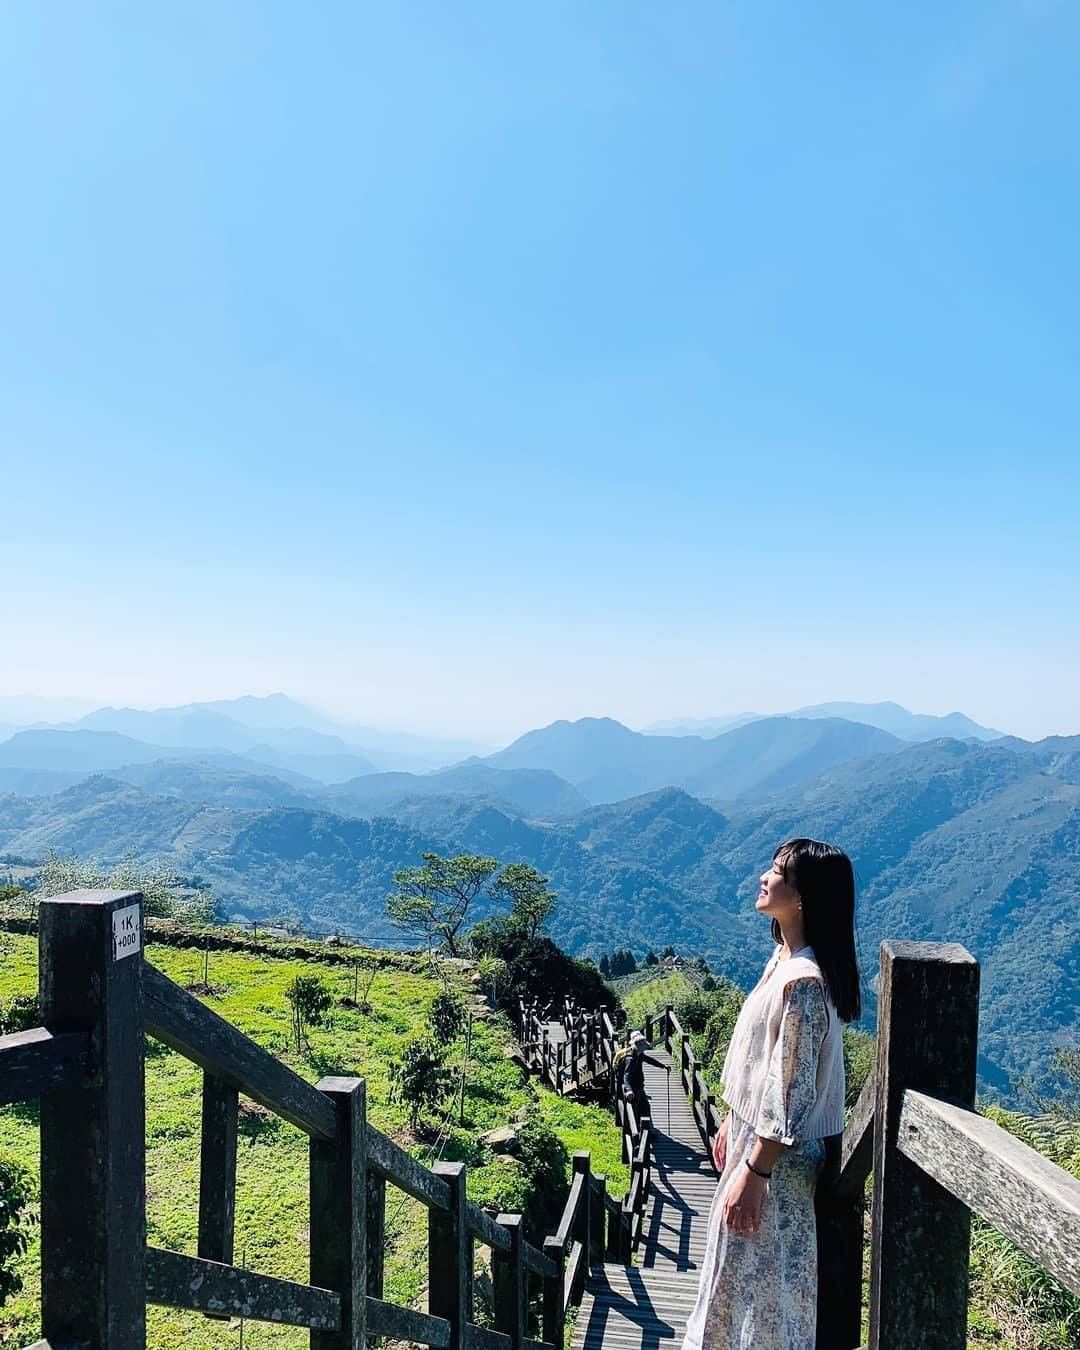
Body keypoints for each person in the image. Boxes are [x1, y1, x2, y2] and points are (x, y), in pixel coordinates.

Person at [681, 838, 860, 1350]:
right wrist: (730, 1121)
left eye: (779, 871)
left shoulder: (802, 981)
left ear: (803, 896)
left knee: (759, 1306)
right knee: (736, 1293)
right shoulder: (784, 958)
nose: (765, 876)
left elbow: (791, 1092)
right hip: (755, 1149)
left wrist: (755, 1172)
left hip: (775, 1170)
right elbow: (765, 1066)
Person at [620, 1029, 667, 1123]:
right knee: (638, 1109)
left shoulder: (638, 1054)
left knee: (644, 1108)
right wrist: (629, 1090)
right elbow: (626, 1075)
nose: (644, 1047)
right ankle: (639, 1132)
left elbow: (649, 1060)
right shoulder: (631, 1058)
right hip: (633, 1088)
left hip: (639, 1086)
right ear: (637, 1045)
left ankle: (645, 1130)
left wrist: (663, 1066)